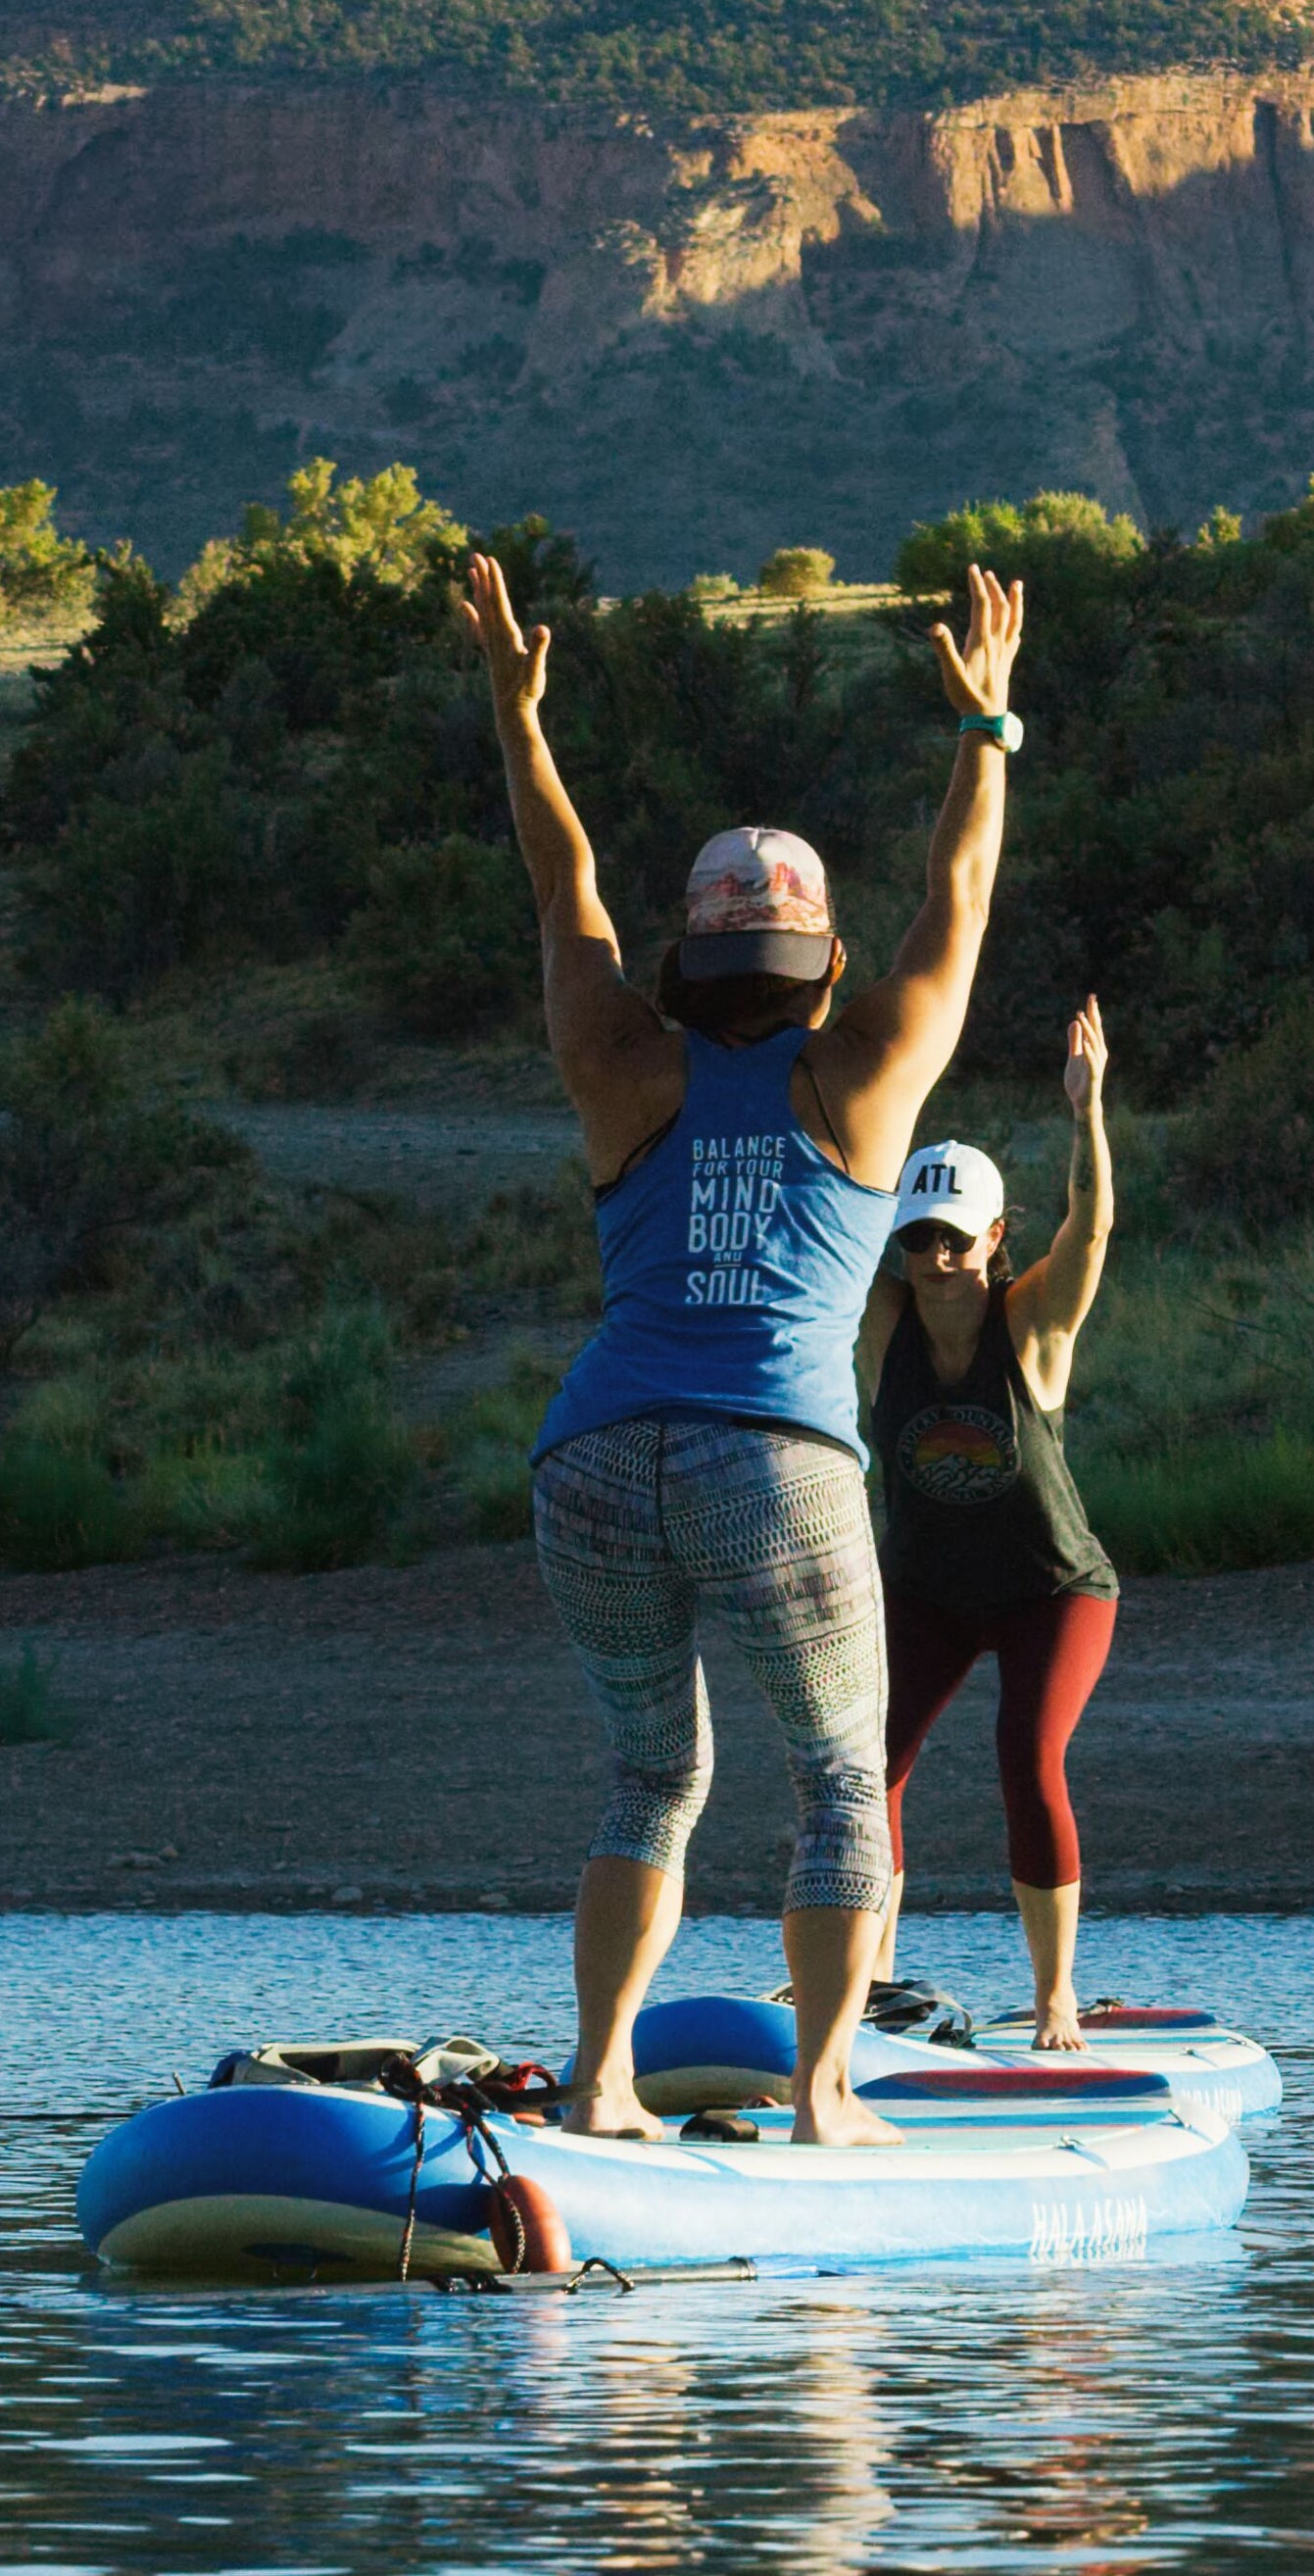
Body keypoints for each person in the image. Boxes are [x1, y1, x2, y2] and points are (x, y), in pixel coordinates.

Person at [461, 551, 1028, 2145]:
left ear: (678, 963)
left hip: (587, 1461)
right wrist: (986, 731)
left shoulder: (610, 1054)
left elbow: (555, 879)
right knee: (842, 1783)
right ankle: (826, 2095)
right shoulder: (867, 1075)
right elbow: (958, 900)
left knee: (653, 1778)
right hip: (774, 1461)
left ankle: (599, 2084)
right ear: (826, 967)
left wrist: (520, 721)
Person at [856, 996, 1128, 2056]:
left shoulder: (1033, 1321)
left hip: (1051, 1589)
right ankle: (867, 1985)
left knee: (1027, 1747)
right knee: (863, 1763)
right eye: (918, 1238)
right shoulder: (881, 1321)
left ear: (993, 1237)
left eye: (954, 1238)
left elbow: (1093, 1226)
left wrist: (1087, 1111)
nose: (935, 1257)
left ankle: (1056, 1998)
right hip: (927, 1587)